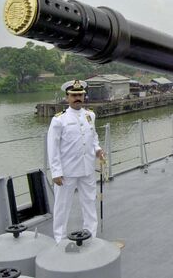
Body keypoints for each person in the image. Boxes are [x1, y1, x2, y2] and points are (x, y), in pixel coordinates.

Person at [47, 79, 104, 243]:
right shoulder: (59, 120)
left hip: (87, 169)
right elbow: (53, 148)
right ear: (67, 97)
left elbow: (93, 138)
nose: (77, 98)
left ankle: (91, 235)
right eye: (74, 95)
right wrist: (56, 172)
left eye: (80, 95)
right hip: (67, 172)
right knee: (62, 206)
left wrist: (98, 150)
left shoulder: (90, 115)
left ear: (84, 96)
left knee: (89, 203)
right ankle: (60, 238)